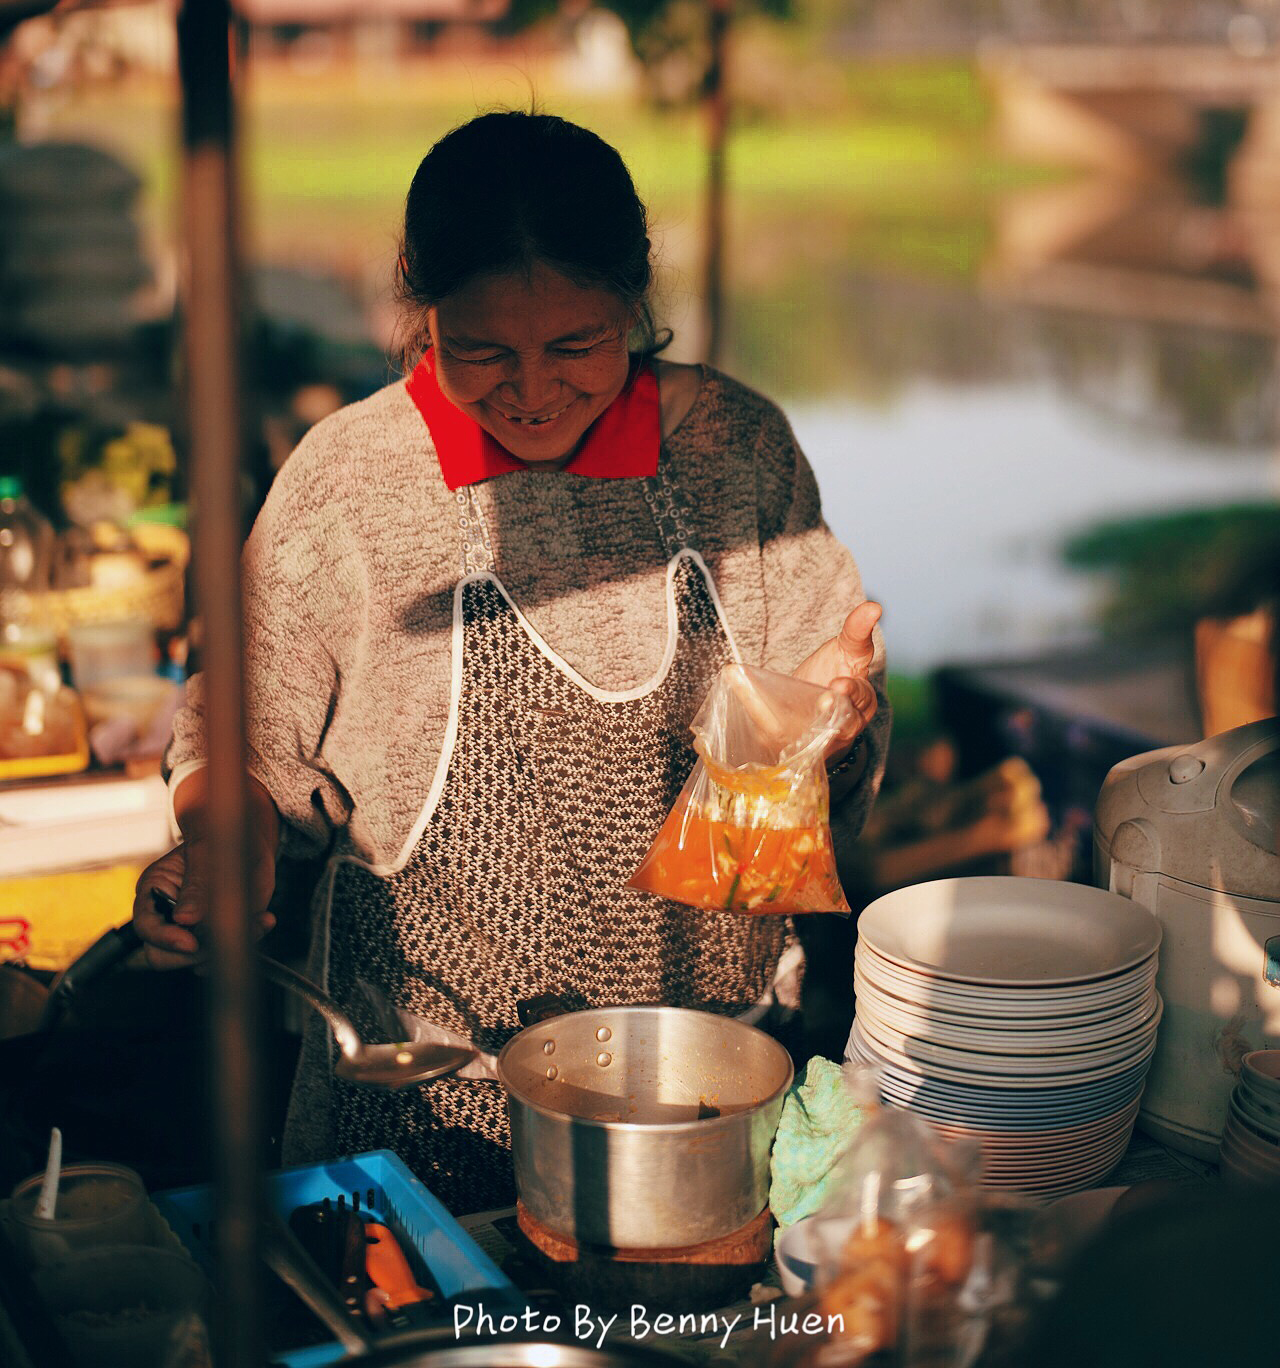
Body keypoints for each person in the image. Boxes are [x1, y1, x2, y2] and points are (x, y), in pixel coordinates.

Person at [133, 110, 890, 1214]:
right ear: (416, 297)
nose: (532, 391)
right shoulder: (353, 483)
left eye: (577, 344)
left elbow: (772, 848)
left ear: (637, 298)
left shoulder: (735, 456)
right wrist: (223, 851)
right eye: (483, 350)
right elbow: (248, 732)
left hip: (708, 1093)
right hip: (431, 1107)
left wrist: (812, 729)